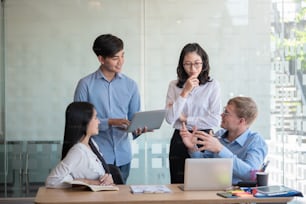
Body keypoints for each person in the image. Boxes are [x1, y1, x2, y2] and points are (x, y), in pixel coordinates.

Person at [74, 34, 145, 184]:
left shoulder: (131, 85)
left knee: (120, 199)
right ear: (101, 59)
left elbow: (133, 119)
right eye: (115, 58)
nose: (121, 62)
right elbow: (78, 123)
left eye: (123, 56)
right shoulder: (85, 85)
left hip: (123, 156)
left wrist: (138, 128)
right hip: (95, 157)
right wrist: (111, 122)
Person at [165, 43, 221, 183]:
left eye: (197, 63)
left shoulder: (212, 85)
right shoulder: (174, 85)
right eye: (188, 64)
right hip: (179, 139)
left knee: (204, 184)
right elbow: (170, 118)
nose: (193, 69)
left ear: (204, 63)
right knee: (178, 185)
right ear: (181, 65)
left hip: (203, 138)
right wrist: (185, 91)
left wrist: (186, 118)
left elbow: (215, 120)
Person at [180, 96, 268, 185]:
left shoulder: (255, 141)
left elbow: (251, 175)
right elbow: (204, 165)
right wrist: (193, 147)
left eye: (226, 112)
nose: (221, 115)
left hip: (238, 195)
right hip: (212, 189)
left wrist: (220, 149)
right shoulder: (219, 135)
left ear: (241, 121)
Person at [46, 102, 114, 188]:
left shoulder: (92, 145)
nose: (99, 122)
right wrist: (86, 182)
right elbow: (52, 181)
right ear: (84, 121)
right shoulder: (78, 151)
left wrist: (108, 178)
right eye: (95, 117)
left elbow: (101, 175)